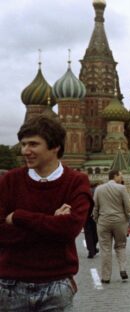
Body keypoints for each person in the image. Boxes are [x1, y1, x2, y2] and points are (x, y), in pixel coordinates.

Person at [0, 115, 92, 310]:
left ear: (55, 146)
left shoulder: (76, 181)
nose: (25, 151)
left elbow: (70, 229)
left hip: (56, 285)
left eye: (33, 144)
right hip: (10, 284)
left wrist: (18, 217)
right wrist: (52, 222)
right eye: (23, 144)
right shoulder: (9, 180)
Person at [93, 170, 130, 283]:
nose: (122, 177)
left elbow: (96, 207)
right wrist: (127, 218)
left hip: (103, 221)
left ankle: (106, 277)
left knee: (105, 249)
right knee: (121, 246)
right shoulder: (121, 188)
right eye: (120, 175)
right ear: (115, 176)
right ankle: (123, 269)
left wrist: (97, 219)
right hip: (119, 221)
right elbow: (127, 206)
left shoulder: (99, 189)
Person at [85, 183, 100, 258]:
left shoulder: (85, 191)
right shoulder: (98, 192)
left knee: (88, 234)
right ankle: (93, 248)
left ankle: (91, 250)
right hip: (95, 215)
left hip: (86, 215)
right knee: (96, 233)